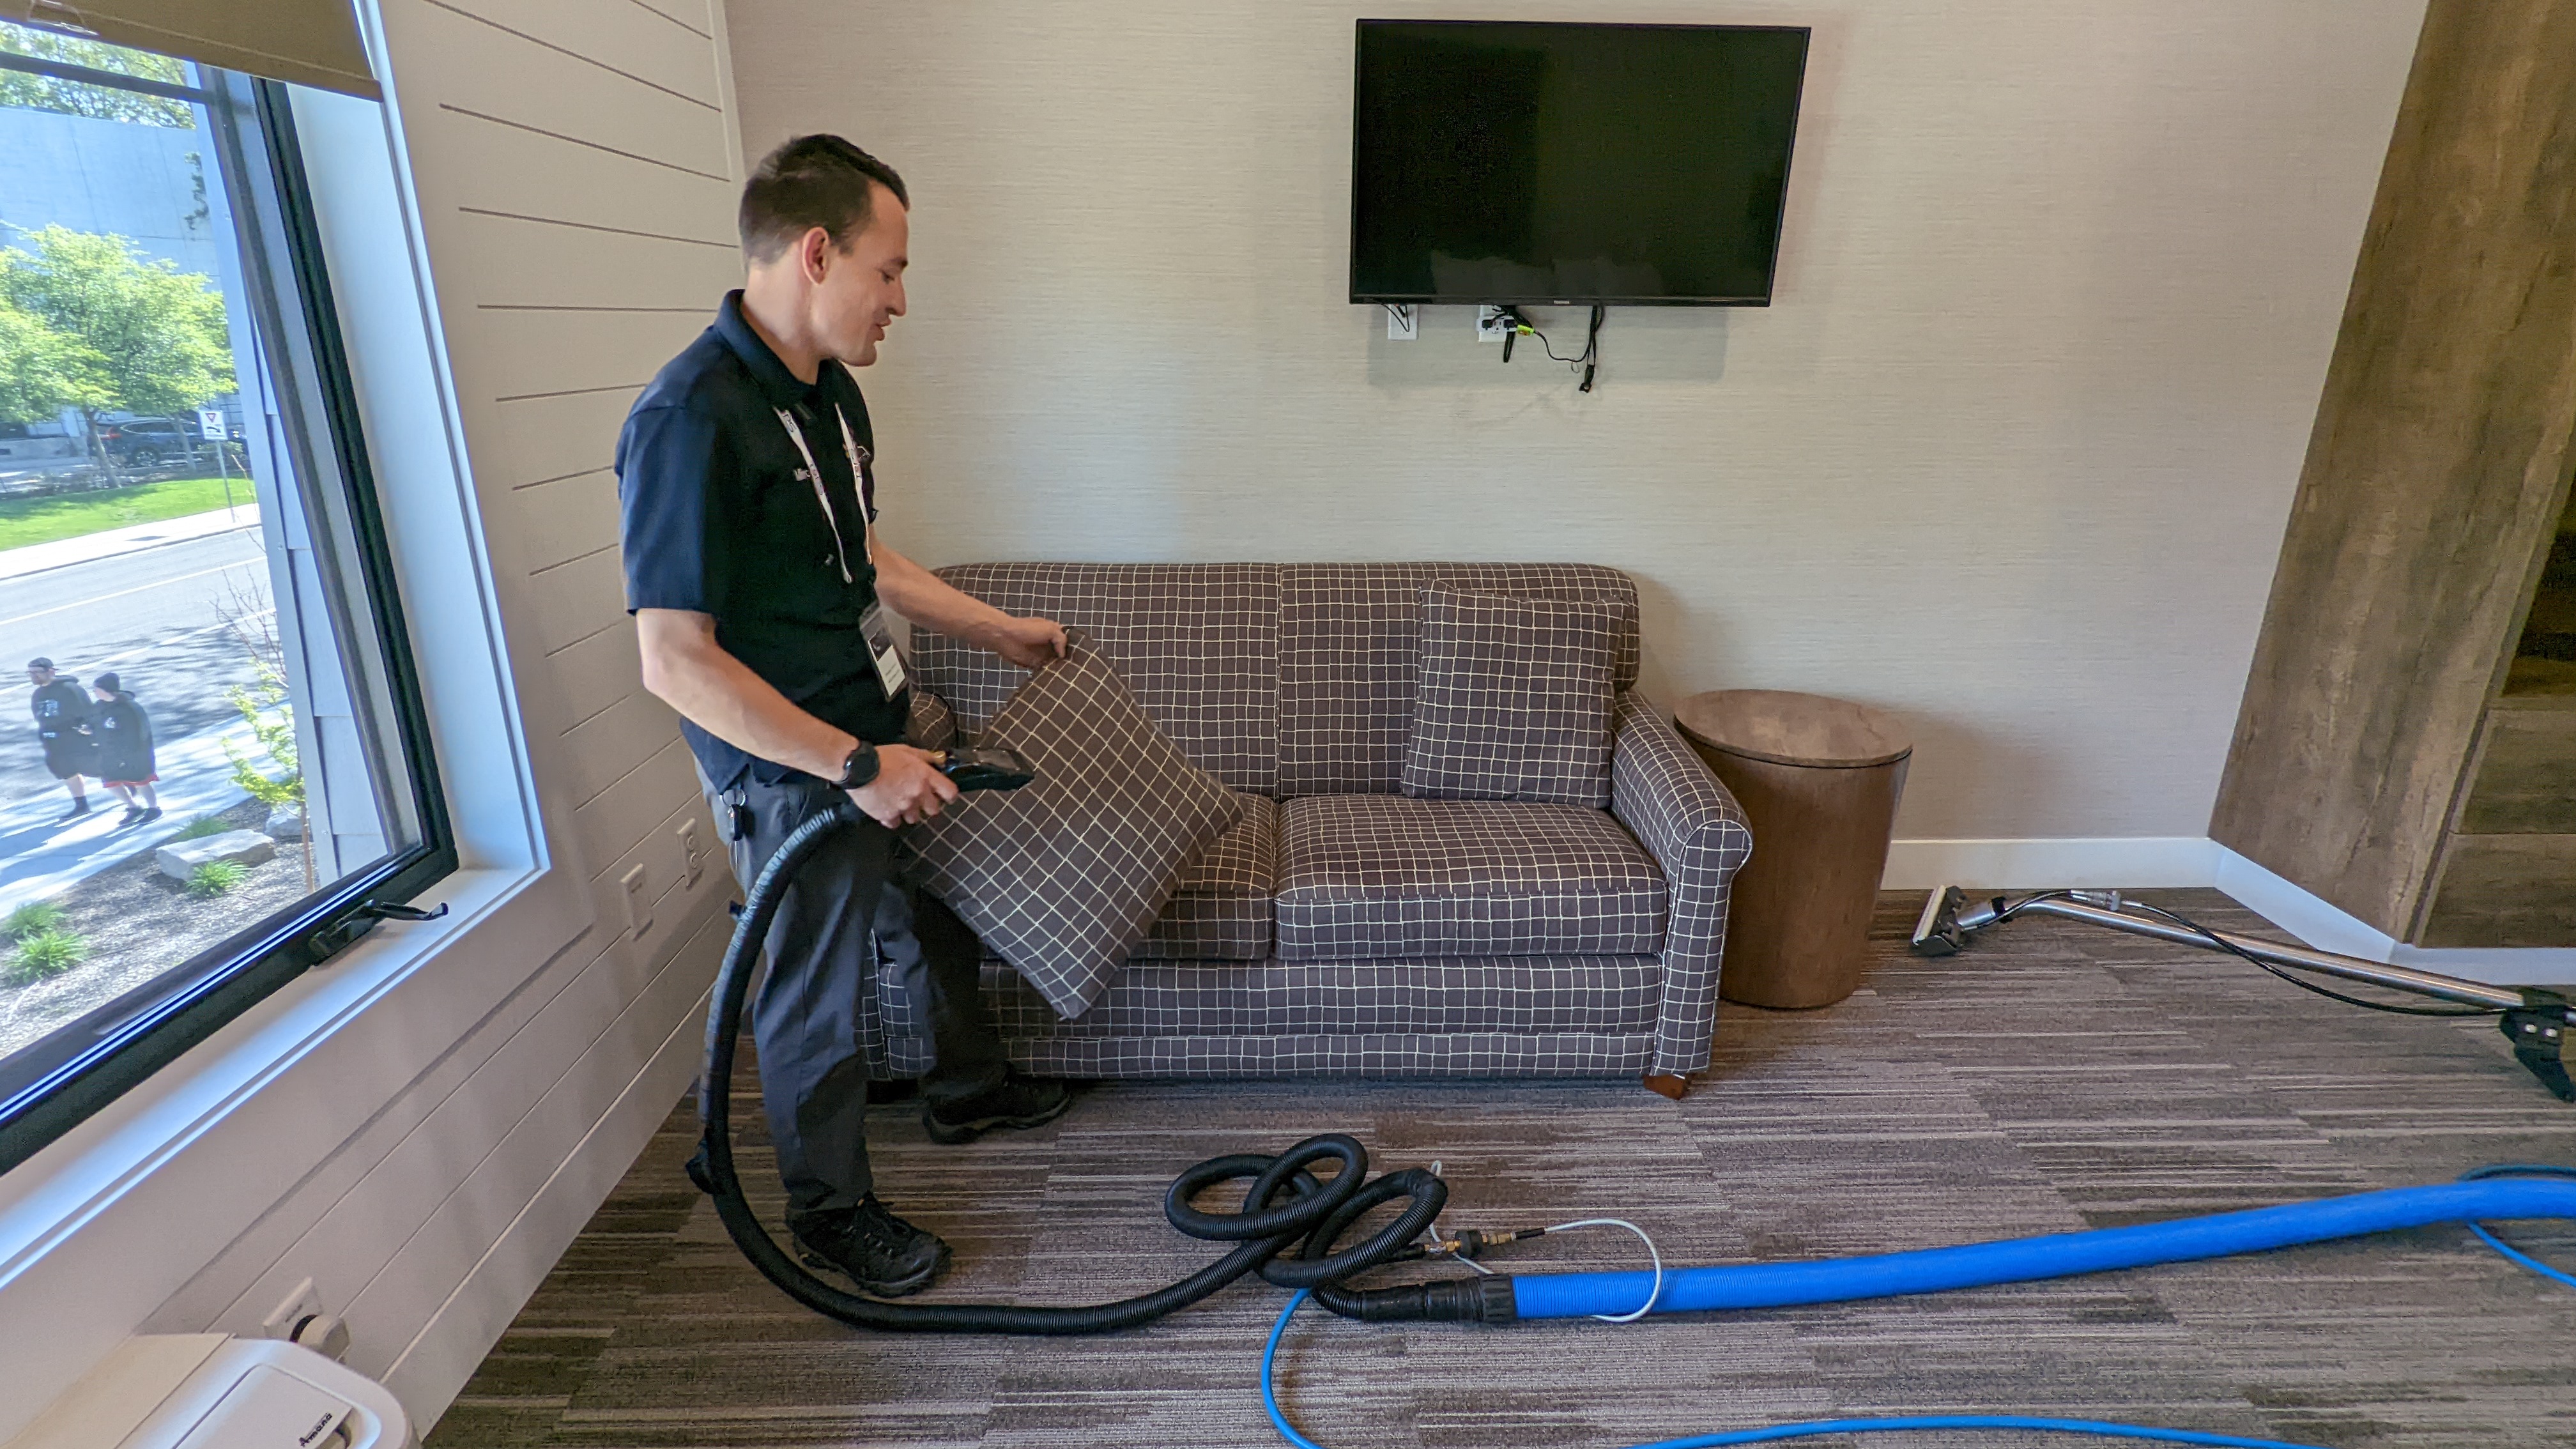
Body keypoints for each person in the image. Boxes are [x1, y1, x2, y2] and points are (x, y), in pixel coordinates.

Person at [618, 135, 1073, 1300]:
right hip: (794, 767)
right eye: (890, 269)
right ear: (817, 253)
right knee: (814, 992)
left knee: (931, 913)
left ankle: (967, 1089)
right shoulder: (689, 419)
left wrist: (995, 630)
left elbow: (859, 553)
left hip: (873, 731)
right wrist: (854, 764)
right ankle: (829, 1212)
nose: (900, 300)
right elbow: (673, 659)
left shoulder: (828, 390)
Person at [27, 657, 96, 821]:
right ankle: (81, 805)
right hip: (53, 741)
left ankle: (128, 784)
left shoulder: (70, 689)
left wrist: (91, 731)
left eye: (37, 672)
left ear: (51, 671)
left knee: (95, 768)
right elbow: (40, 717)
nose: (34, 676)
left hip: (76, 737)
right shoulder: (38, 694)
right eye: (30, 673)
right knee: (67, 772)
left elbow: (89, 712)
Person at [88, 672, 158, 825]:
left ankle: (153, 808)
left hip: (134, 753)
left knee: (140, 781)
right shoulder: (99, 707)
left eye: (96, 689)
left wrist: (126, 755)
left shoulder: (129, 708)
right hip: (108, 753)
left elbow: (139, 733)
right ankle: (133, 807)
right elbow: (94, 723)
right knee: (110, 782)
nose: (94, 692)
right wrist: (88, 730)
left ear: (106, 690)